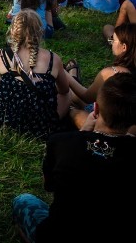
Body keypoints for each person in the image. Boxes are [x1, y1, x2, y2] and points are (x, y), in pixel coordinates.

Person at [12, 73, 136, 243]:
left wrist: (82, 134)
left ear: (96, 109)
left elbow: (49, 185)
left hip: (58, 234)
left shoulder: (61, 142)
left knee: (23, 200)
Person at [0, 10, 70, 140]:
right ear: (40, 32)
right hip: (41, 124)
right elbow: (64, 90)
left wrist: (9, 84)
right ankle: (53, 120)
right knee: (68, 94)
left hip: (7, 119)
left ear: (13, 31)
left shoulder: (0, 55)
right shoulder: (53, 59)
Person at [67, 22, 136, 130]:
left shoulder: (112, 72)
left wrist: (64, 75)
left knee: (73, 109)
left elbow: (86, 97)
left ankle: (71, 84)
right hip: (131, 125)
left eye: (113, 40)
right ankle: (73, 79)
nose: (111, 43)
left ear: (124, 47)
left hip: (114, 127)